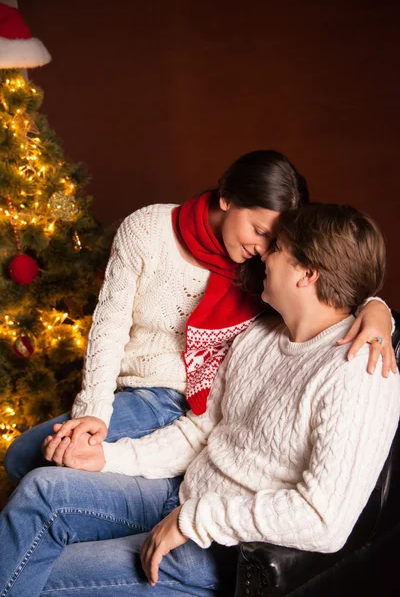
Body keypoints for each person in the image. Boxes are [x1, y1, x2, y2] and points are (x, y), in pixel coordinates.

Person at [0, 202, 399, 597]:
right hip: (182, 494)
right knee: (41, 492)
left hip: (215, 548)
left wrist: (194, 521)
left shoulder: (359, 373)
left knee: (44, 574)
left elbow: (322, 519)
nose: (263, 256)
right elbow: (200, 430)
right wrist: (108, 458)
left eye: (276, 249)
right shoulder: (259, 335)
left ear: (307, 274)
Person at [4, 151, 395, 486]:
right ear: (226, 198)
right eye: (259, 231)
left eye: (273, 240)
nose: (262, 249)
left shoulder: (267, 271)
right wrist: (94, 411)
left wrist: (377, 310)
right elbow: (109, 328)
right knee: (25, 455)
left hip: (190, 405)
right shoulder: (148, 228)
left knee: (31, 459)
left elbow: (331, 278)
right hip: (129, 395)